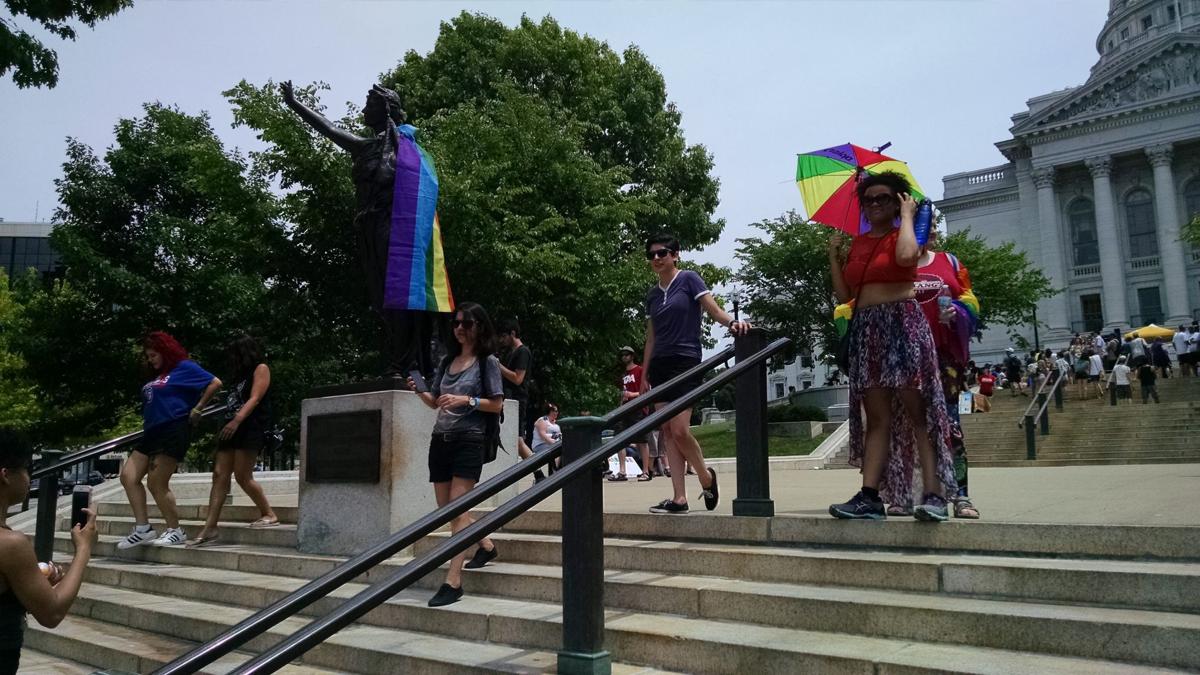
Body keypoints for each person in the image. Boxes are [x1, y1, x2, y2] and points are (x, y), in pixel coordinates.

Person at [826, 172, 957, 522]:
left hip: (902, 323)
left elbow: (905, 259)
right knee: (878, 418)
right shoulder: (859, 242)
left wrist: (909, 216)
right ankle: (870, 496)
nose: (874, 205)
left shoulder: (906, 234)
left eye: (883, 198)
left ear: (898, 200)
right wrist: (833, 256)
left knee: (919, 412)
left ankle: (934, 494)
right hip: (868, 329)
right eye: (868, 200)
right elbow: (845, 296)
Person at [641, 233, 750, 515]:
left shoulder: (689, 279)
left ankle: (705, 476)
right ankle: (679, 498)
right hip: (660, 365)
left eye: (662, 253)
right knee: (666, 430)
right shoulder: (653, 295)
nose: (656, 258)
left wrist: (733, 323)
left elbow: (714, 311)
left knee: (679, 429)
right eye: (651, 254)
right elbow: (650, 337)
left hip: (685, 360)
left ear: (675, 254)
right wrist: (644, 376)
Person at [408, 302, 502, 607]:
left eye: (466, 323)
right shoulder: (447, 361)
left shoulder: (487, 362)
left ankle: (453, 580)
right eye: (456, 323)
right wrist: (419, 390)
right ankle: (485, 545)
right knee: (447, 510)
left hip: (469, 440)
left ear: (480, 326)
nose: (459, 328)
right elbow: (437, 402)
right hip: (441, 439)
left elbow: (496, 404)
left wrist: (466, 399)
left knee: (457, 511)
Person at [0, 429, 96, 675]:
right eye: (26, 469)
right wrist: (83, 549)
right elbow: (52, 613)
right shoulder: (11, 545)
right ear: (5, 475)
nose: (28, 478)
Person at [119, 332, 221, 549]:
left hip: (173, 428)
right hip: (152, 431)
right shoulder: (159, 375)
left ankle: (176, 530)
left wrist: (198, 408)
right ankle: (142, 529)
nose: (150, 360)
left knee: (156, 482)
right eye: (148, 356)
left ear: (165, 351)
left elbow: (215, 382)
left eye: (153, 355)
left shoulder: (185, 367)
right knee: (128, 476)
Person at [906, 228, 981, 518]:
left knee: (951, 428)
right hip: (908, 360)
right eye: (927, 223)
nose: (934, 229)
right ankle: (924, 493)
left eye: (934, 222)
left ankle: (961, 496)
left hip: (945, 360)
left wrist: (959, 312)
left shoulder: (950, 262)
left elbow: (971, 299)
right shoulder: (896, 265)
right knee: (916, 429)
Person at [189, 336, 280, 548]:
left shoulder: (261, 368)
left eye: (234, 354)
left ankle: (269, 513)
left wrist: (237, 420)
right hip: (230, 426)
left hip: (249, 426)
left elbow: (255, 398)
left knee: (242, 476)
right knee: (219, 475)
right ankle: (210, 526)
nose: (231, 359)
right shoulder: (237, 376)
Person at [496, 320, 542, 482]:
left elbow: (518, 378)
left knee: (517, 440)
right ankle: (539, 473)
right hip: (509, 401)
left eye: (503, 336)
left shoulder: (523, 352)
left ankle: (540, 473)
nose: (501, 340)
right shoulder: (511, 352)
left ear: (513, 334)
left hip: (517, 401)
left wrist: (498, 366)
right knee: (517, 440)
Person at [612, 347, 652, 482]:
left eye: (627, 354)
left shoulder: (640, 370)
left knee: (642, 440)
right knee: (619, 438)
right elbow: (623, 393)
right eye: (622, 355)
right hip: (625, 409)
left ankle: (646, 471)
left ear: (632, 356)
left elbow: (646, 390)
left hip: (638, 408)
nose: (624, 357)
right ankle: (622, 471)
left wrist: (632, 395)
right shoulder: (623, 375)